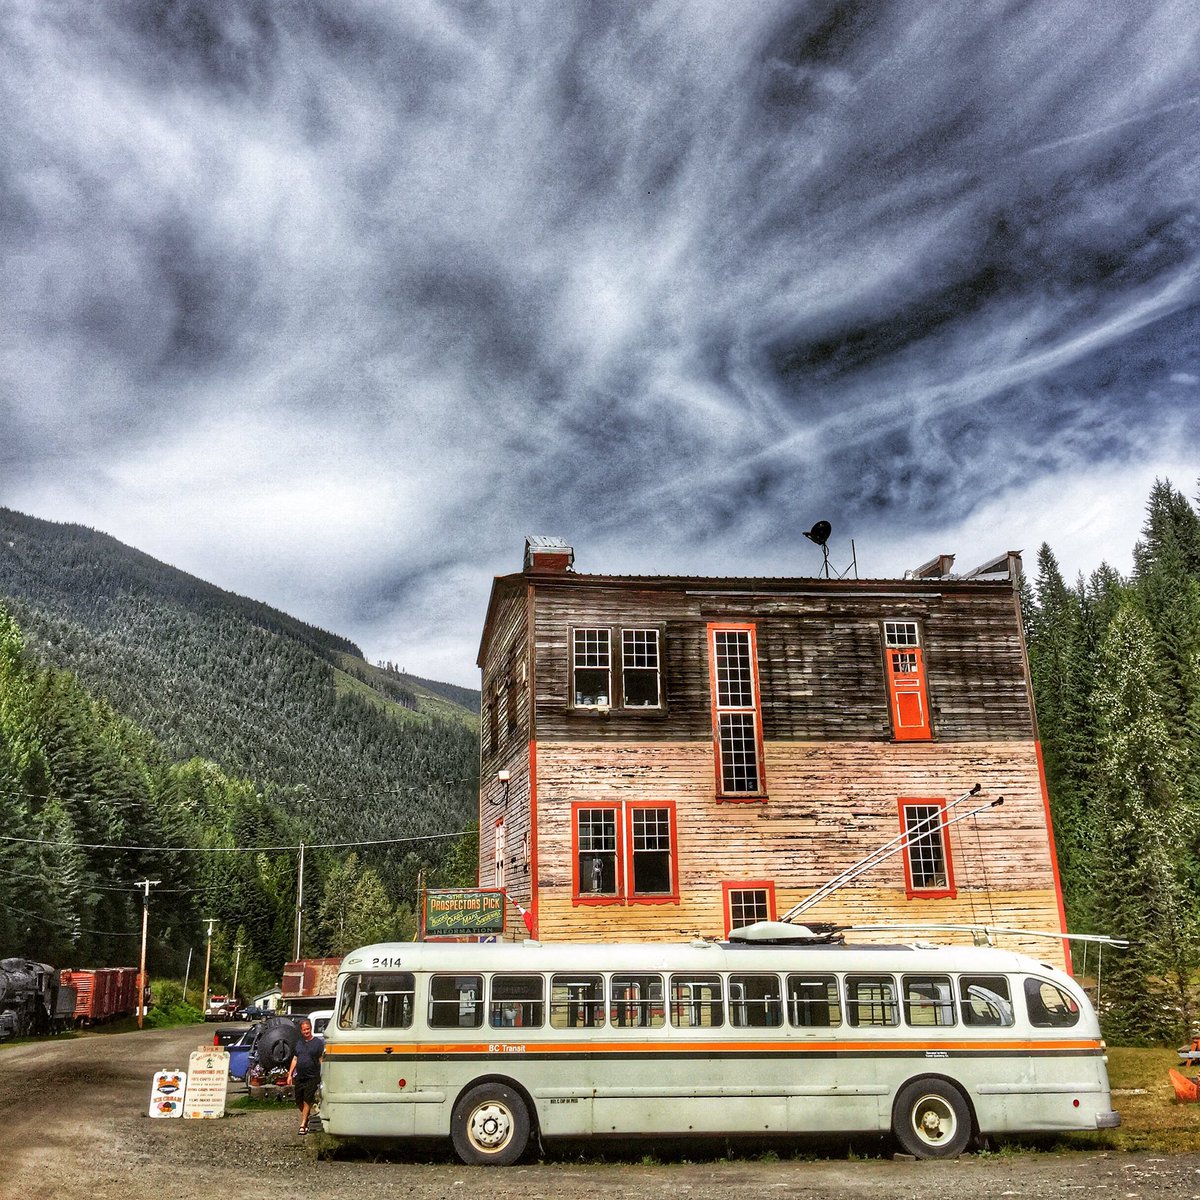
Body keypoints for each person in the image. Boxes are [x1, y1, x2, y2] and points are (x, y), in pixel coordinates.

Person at [286, 1017, 325, 1135]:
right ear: (301, 1031)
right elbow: (295, 1058)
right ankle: (307, 1117)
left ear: (311, 1029)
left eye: (308, 1029)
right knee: (299, 1100)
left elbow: (321, 1059)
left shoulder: (318, 1043)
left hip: (313, 1075)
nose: (306, 1031)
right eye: (304, 1030)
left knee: (307, 1098)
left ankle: (303, 1124)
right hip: (300, 1075)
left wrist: (323, 1074)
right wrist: (290, 1074)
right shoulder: (299, 1043)